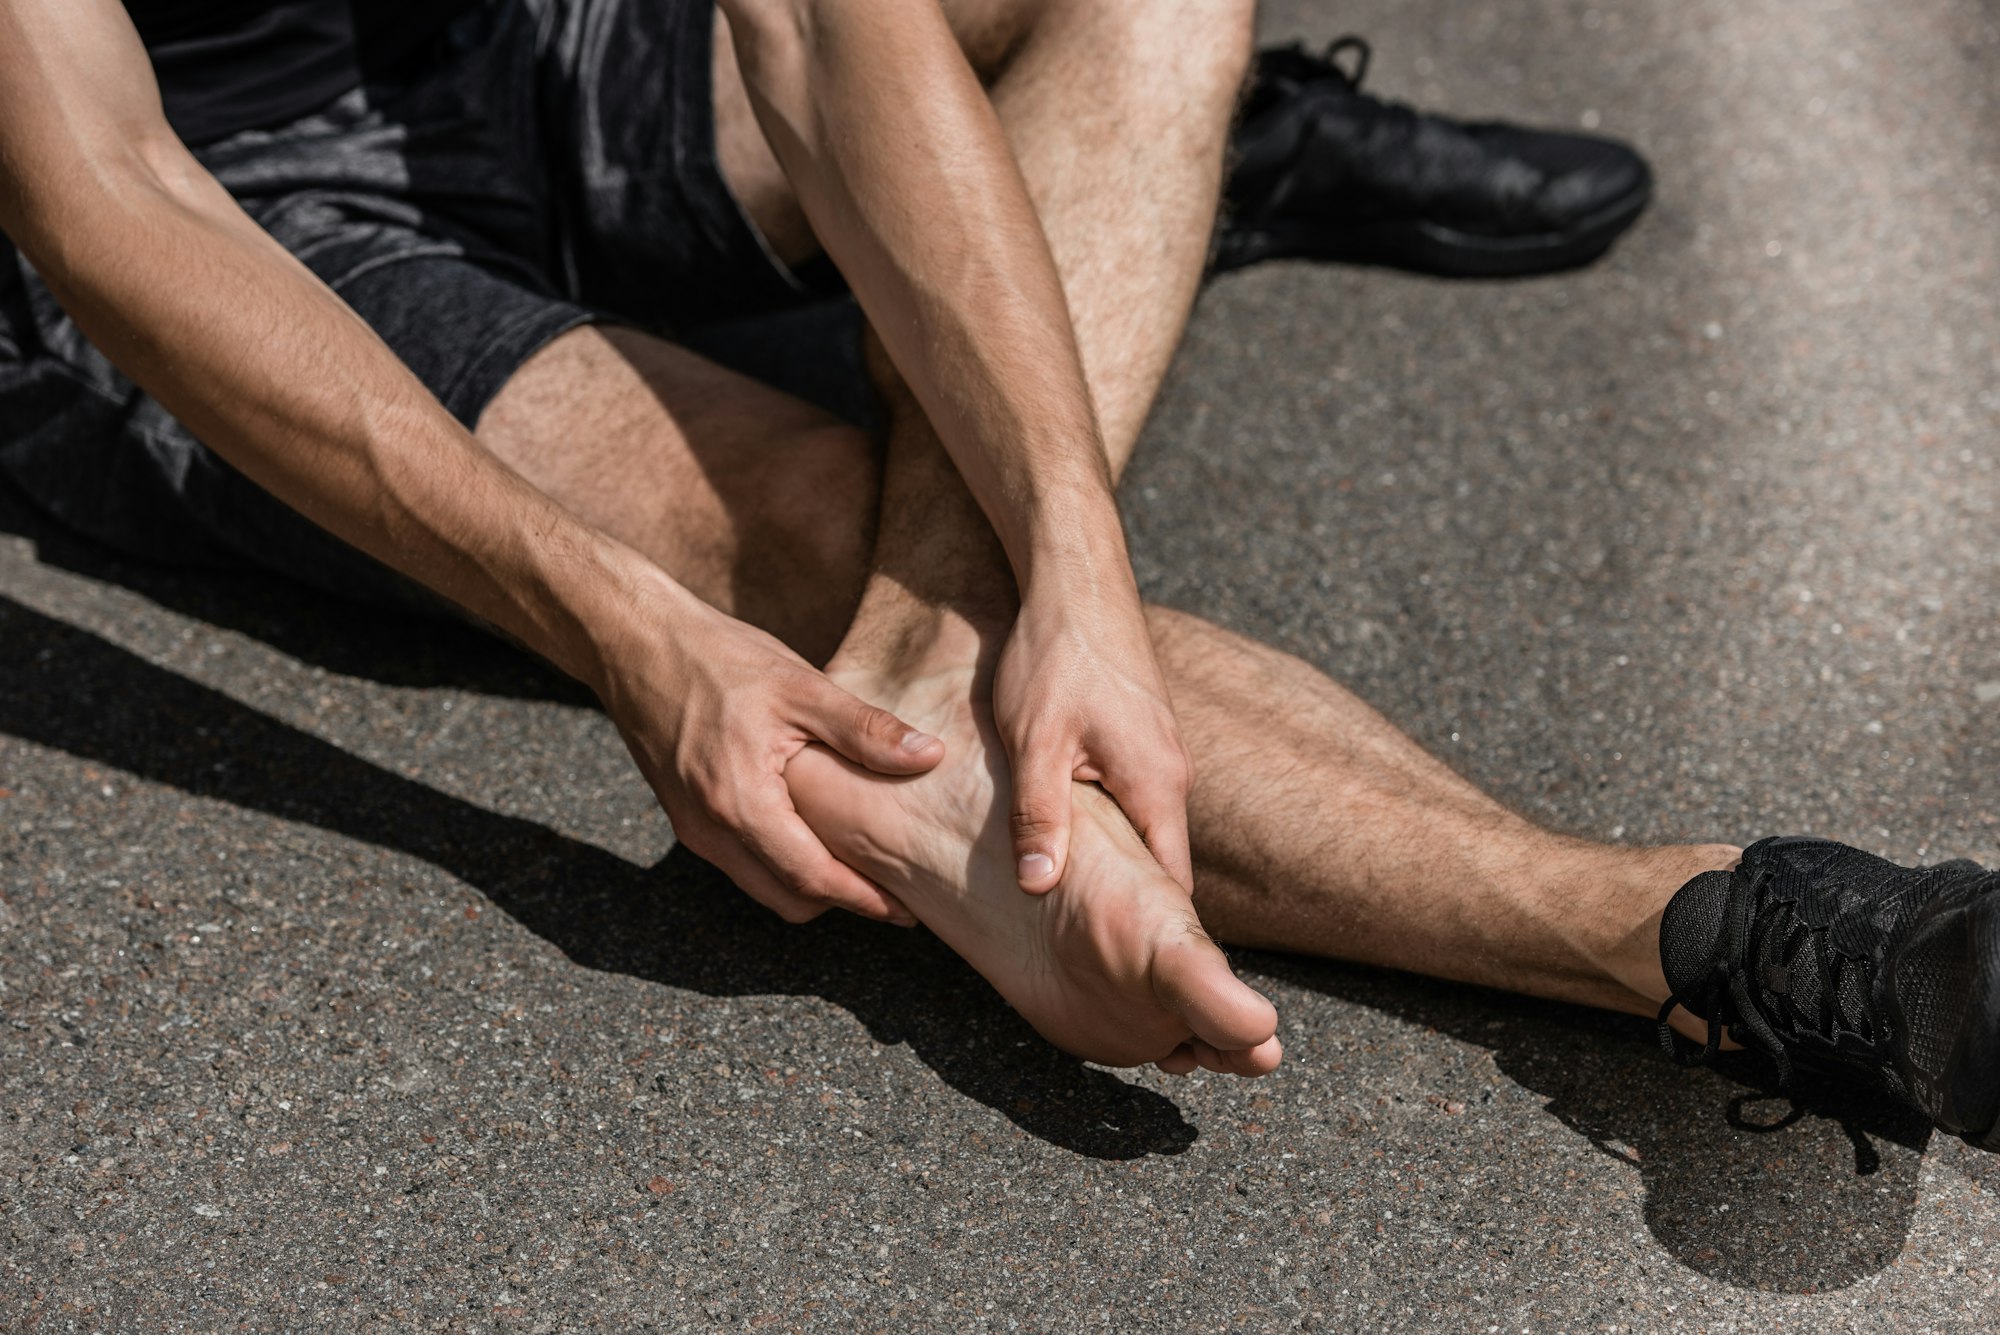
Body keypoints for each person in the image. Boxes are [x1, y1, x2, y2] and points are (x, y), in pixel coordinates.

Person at [0, 0, 1991, 1151]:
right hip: (220, 195)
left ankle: (933, 669)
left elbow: (804, 23)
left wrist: (1067, 555)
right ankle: (1702, 930)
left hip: (510, 38)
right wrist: (620, 627)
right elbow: (109, 182)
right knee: (776, 531)